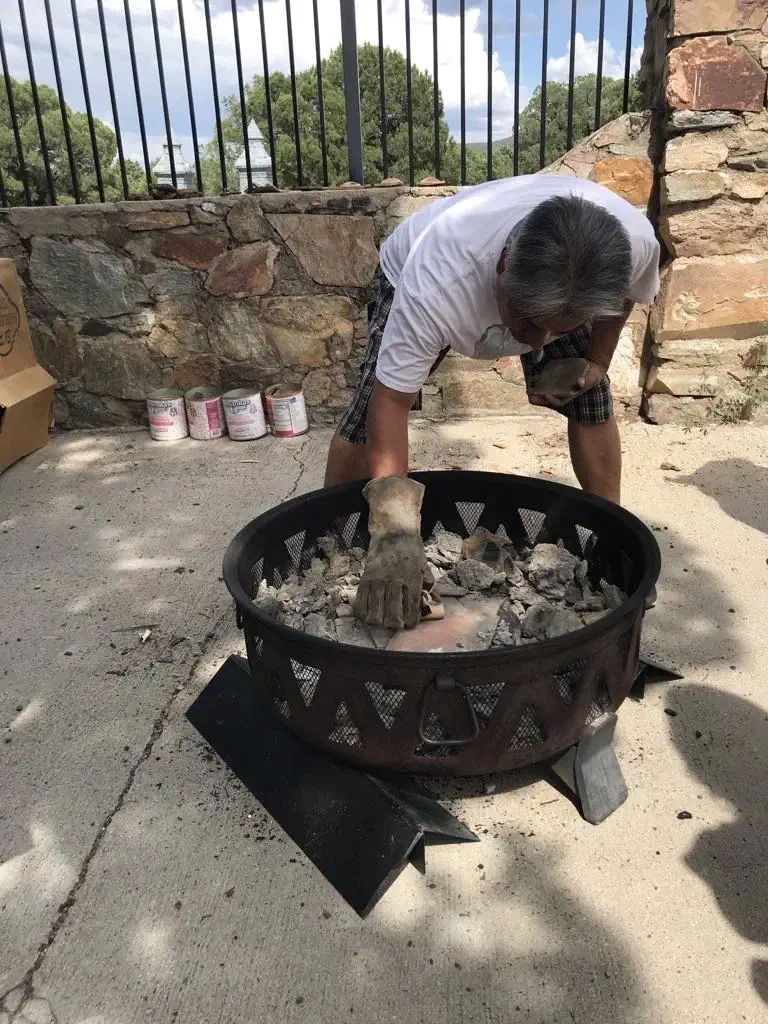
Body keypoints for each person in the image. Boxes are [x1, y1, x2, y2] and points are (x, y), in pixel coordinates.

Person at [323, 176, 661, 630]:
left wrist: (597, 360)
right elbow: (391, 401)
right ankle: (330, 545)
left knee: (591, 399)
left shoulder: (633, 244)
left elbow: (625, 297)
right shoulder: (437, 282)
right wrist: (395, 532)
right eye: (529, 323)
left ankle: (611, 536)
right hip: (410, 267)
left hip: (553, 284)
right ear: (502, 267)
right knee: (365, 416)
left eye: (557, 328)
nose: (538, 344)